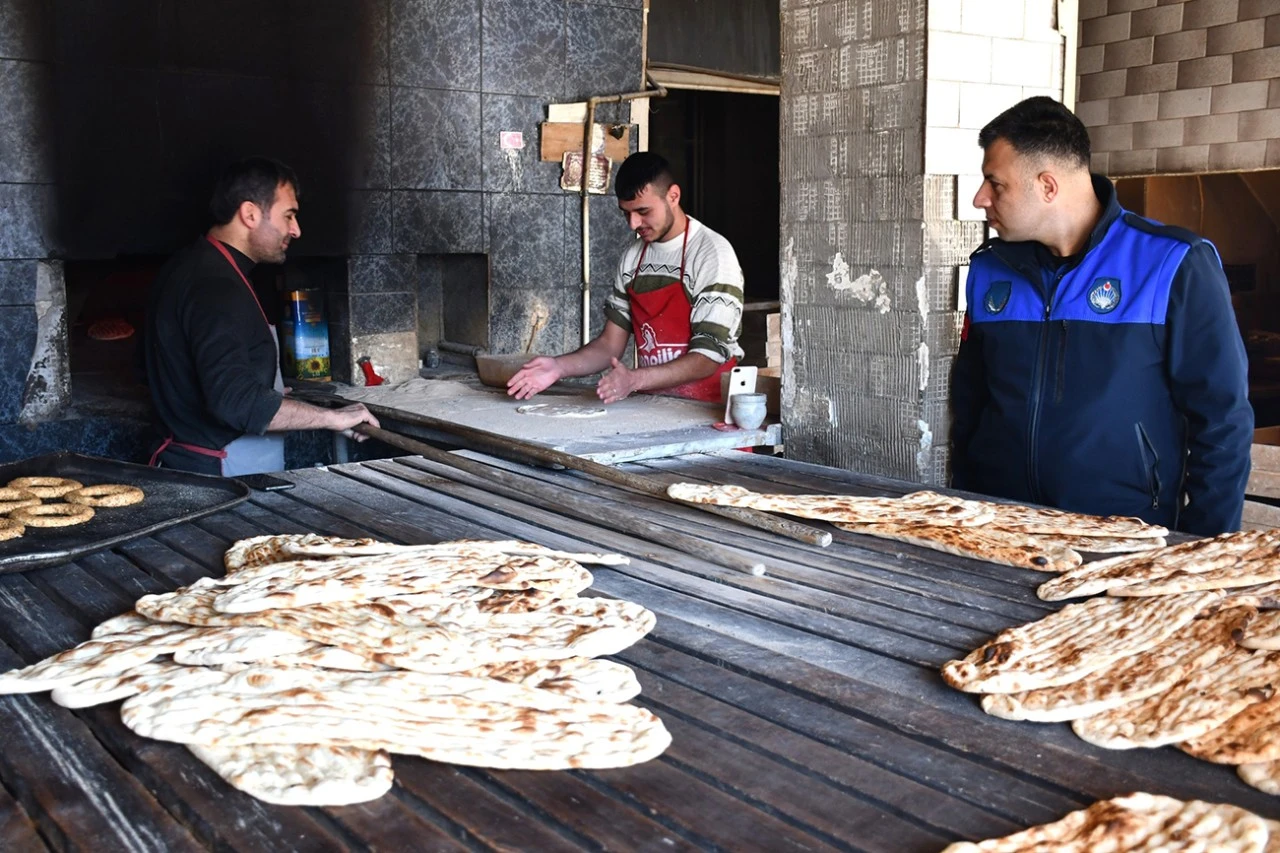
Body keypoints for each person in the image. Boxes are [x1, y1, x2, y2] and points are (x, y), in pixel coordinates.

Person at [950, 97, 1253, 535]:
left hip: (1120, 535)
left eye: (995, 184)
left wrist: (1202, 548)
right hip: (999, 528)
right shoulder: (989, 270)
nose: (981, 199)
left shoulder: (1173, 263)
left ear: (1048, 186)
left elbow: (1223, 420)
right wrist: (965, 503)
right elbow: (970, 403)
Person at [145, 157, 378, 476]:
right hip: (219, 476)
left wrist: (265, 391)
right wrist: (332, 418)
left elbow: (186, 374)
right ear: (250, 214)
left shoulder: (192, 267)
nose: (296, 230)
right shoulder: (215, 286)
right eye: (289, 215)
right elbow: (234, 402)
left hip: (193, 463)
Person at [507, 152, 744, 404]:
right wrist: (557, 367)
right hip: (652, 408)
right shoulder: (633, 258)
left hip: (708, 410)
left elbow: (708, 356)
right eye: (626, 213)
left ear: (673, 196)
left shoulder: (712, 254)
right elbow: (610, 344)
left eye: (643, 211)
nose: (633, 224)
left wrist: (634, 380)